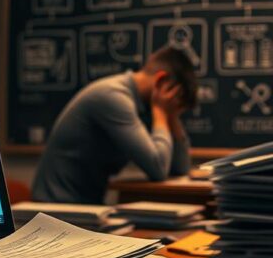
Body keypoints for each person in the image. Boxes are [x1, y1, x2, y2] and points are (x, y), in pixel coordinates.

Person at [32, 46, 197, 204]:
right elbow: (158, 169)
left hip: (84, 207)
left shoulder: (144, 105)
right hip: (55, 208)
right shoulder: (114, 97)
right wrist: (161, 112)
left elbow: (181, 169)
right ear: (161, 81)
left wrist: (173, 117)